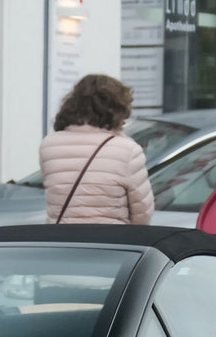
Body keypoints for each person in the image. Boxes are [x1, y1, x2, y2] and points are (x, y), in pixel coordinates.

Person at [40, 74, 152, 225]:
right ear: (117, 109)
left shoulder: (49, 145)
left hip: (62, 237)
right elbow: (142, 212)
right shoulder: (128, 150)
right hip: (109, 237)